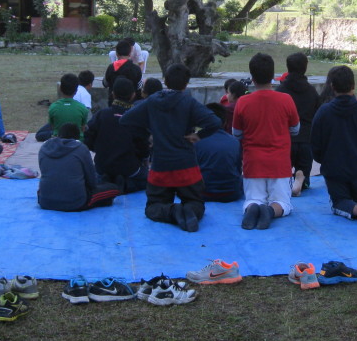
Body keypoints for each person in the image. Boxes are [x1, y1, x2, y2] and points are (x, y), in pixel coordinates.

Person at [120, 63, 221, 232]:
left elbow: (125, 120)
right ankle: (188, 210)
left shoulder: (151, 102)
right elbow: (215, 122)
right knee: (197, 204)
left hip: (161, 167)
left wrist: (148, 133)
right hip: (186, 165)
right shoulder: (188, 102)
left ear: (165, 81)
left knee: (153, 208)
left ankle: (173, 211)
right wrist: (199, 136)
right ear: (187, 83)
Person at [310, 65, 357, 226]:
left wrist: (326, 162)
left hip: (335, 171)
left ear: (332, 86)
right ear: (353, 85)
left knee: (339, 202)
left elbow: (315, 146)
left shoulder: (324, 112)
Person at [233, 53, 300, 230]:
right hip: (279, 163)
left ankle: (253, 208)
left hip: (252, 163)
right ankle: (269, 212)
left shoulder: (242, 102)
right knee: (282, 203)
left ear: (252, 77)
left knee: (252, 199)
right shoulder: (286, 99)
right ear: (272, 75)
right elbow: (295, 129)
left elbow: (237, 133)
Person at [84, 77, 150, 195]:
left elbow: (88, 139)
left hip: (103, 166)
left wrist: (101, 148)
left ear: (113, 94)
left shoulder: (101, 115)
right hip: (129, 167)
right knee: (151, 179)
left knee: (91, 176)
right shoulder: (137, 118)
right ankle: (126, 183)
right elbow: (143, 147)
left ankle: (108, 182)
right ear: (133, 95)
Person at [38, 123, 117, 211]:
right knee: (113, 189)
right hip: (76, 202)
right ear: (77, 136)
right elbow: (91, 180)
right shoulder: (80, 148)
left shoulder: (44, 148)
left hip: (45, 201)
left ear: (59, 134)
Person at [277, 52, 321, 196]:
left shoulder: (281, 92)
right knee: (306, 179)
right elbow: (317, 114)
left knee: (282, 179)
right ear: (305, 68)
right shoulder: (312, 91)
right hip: (306, 141)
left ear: (287, 68)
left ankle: (289, 182)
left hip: (286, 142)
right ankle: (302, 180)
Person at [196, 103, 243, 202]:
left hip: (203, 193)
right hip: (232, 193)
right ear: (225, 122)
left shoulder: (196, 142)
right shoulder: (234, 142)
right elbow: (238, 170)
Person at [45, 74, 89, 140]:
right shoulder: (83, 108)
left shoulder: (53, 107)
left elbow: (52, 126)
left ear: (60, 89)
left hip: (58, 142)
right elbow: (83, 128)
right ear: (76, 91)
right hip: (77, 143)